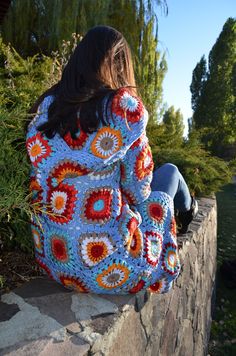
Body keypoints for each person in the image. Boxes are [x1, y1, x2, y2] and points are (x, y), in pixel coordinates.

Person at [25, 25, 198, 295]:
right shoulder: (124, 110)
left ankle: (188, 209)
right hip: (110, 267)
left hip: (55, 260)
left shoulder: (45, 111)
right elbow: (137, 190)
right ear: (119, 64)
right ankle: (188, 210)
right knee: (171, 174)